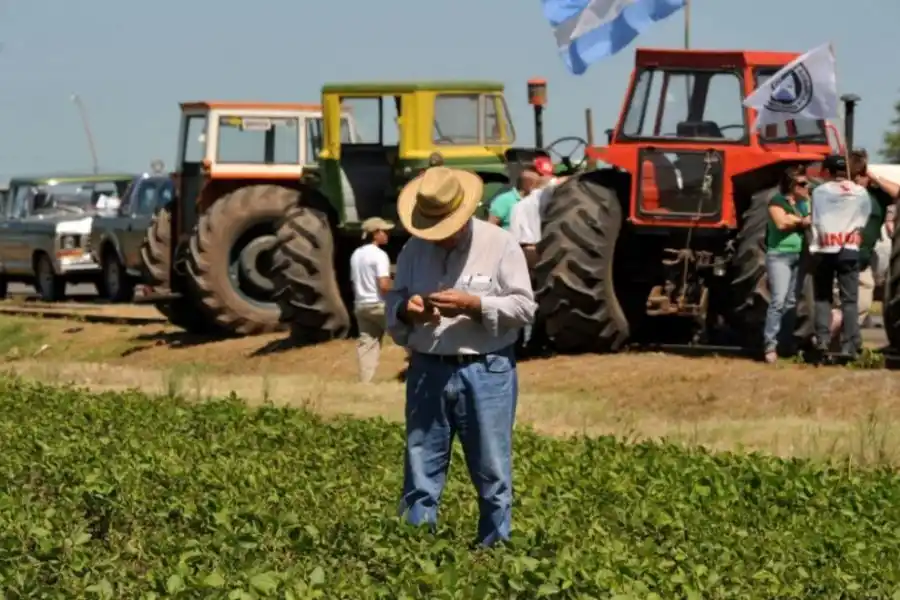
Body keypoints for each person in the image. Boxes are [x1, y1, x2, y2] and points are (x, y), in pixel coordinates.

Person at [385, 166, 536, 547]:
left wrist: (474, 305)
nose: (438, 236)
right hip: (427, 368)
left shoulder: (500, 244)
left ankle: (494, 547)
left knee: (492, 467)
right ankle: (415, 549)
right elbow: (395, 302)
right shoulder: (413, 248)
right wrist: (408, 310)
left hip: (486, 369)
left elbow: (524, 308)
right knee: (420, 465)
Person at [809, 154, 872, 358]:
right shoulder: (861, 192)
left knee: (823, 298)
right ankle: (850, 345)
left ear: (828, 172)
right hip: (849, 248)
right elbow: (863, 219)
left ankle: (822, 340)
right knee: (849, 301)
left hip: (825, 248)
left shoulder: (819, 191)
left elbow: (816, 218)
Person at [762, 166, 811, 363]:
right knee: (778, 300)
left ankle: (785, 343)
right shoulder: (776, 201)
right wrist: (800, 221)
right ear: (791, 185)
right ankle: (770, 344)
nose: (807, 187)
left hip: (799, 255)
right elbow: (781, 223)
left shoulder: (804, 203)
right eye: (802, 184)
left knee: (791, 302)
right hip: (779, 255)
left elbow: (812, 219)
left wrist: (795, 218)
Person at [349, 217, 394, 383]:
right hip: (378, 304)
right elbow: (383, 285)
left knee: (367, 343)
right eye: (384, 231)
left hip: (361, 304)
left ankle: (365, 381)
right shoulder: (380, 255)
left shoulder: (356, 254)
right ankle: (415, 372)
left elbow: (354, 281)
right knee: (407, 335)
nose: (387, 234)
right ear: (375, 233)